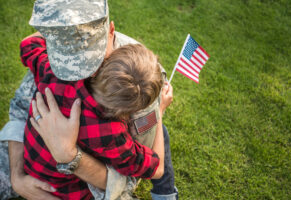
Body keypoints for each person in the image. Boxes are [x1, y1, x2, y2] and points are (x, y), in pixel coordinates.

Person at [0, 0, 177, 199]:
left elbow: (29, 45)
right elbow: (154, 167)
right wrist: (158, 113)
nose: (81, 67)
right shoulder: (112, 131)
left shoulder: (51, 70)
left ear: (111, 32)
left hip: (36, 167)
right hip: (69, 190)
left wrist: (69, 155)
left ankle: (166, 193)